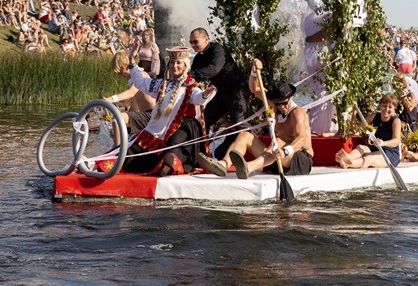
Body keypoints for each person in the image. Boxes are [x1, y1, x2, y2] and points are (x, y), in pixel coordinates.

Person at [197, 58, 314, 178]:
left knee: (279, 142)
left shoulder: (298, 112)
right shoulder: (275, 105)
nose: (281, 107)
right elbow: (255, 89)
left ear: (290, 98)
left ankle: (248, 167)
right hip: (275, 158)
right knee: (245, 135)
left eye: (284, 103)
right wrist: (254, 72)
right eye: (277, 103)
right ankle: (223, 164)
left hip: (299, 159)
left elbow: (301, 139)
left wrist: (285, 151)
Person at [119, 46, 216, 176]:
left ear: (185, 65)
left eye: (178, 63)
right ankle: (100, 163)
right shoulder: (162, 84)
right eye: (172, 62)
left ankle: (171, 166)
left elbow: (199, 98)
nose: (174, 66)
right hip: (155, 130)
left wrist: (208, 92)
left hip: (182, 129)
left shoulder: (190, 85)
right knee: (131, 150)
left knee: (173, 146)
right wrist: (131, 61)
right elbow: (140, 82)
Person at [189, 27, 249, 157]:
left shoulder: (217, 49)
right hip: (222, 92)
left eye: (195, 42)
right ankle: (201, 152)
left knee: (239, 123)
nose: (193, 45)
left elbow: (213, 69)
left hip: (237, 89)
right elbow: (193, 76)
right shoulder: (198, 58)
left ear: (206, 39)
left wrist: (191, 74)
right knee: (204, 119)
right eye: (191, 42)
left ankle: (252, 151)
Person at [301, 0, 337, 134]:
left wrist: (309, 39)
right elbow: (326, 33)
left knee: (320, 91)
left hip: (310, 55)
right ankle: (321, 127)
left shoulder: (307, 18)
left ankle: (323, 125)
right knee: (325, 92)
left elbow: (307, 37)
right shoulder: (326, 15)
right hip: (322, 55)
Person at [335, 94, 402, 169]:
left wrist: (382, 143)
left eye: (390, 107)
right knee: (361, 147)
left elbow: (396, 140)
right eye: (384, 106)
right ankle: (347, 158)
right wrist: (354, 111)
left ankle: (349, 163)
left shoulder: (396, 121)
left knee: (369, 158)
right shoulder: (373, 116)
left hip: (389, 153)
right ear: (380, 106)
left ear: (394, 108)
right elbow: (356, 129)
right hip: (375, 148)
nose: (386, 109)